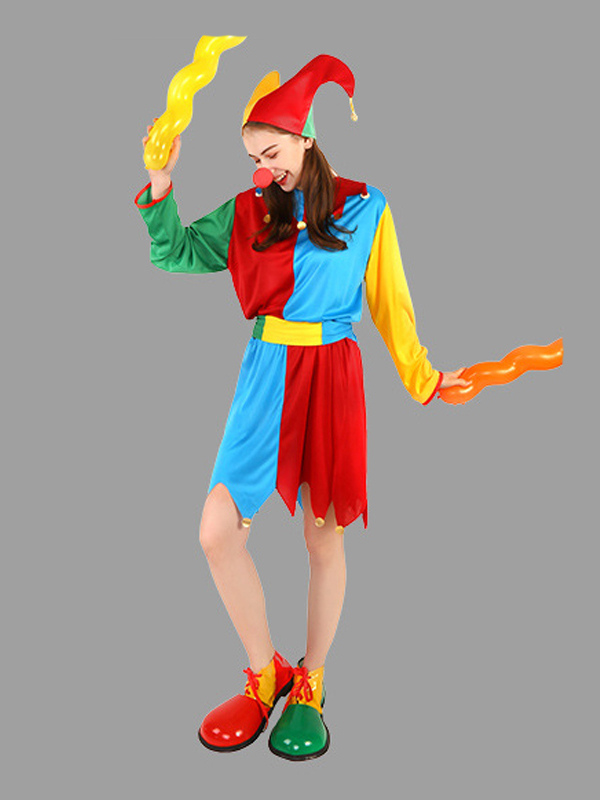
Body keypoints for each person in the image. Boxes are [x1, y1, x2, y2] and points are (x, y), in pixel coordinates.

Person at [135, 54, 469, 761]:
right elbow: (177, 253)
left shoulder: (367, 207)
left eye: (273, 153)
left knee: (323, 539)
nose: (263, 169)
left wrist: (425, 377)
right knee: (217, 531)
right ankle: (267, 675)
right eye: (253, 158)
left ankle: (311, 683)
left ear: (307, 138)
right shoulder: (249, 211)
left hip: (332, 378)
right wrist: (161, 187)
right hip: (265, 375)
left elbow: (391, 304)